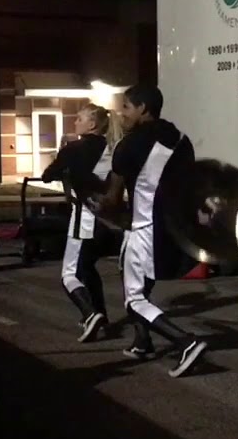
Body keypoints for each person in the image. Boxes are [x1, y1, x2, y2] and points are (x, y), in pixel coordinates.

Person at [93, 85, 206, 377]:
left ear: (143, 108)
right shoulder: (181, 140)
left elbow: (113, 199)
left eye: (126, 107)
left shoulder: (128, 145)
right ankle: (142, 341)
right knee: (134, 277)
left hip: (144, 227)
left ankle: (186, 342)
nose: (122, 114)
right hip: (173, 226)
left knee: (135, 297)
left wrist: (97, 205)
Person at [41, 103, 116, 343]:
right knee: (88, 266)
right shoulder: (111, 149)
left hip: (84, 215)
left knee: (69, 274)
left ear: (91, 124)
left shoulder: (74, 149)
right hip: (107, 216)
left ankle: (90, 313)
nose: (75, 122)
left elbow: (47, 175)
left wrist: (61, 161)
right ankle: (100, 315)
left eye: (79, 119)